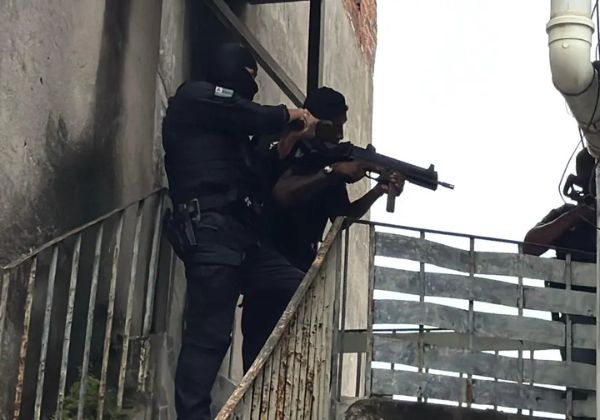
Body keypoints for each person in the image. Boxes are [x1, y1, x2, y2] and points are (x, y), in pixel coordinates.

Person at [162, 43, 318, 420]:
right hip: (211, 235)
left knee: (304, 289)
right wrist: (288, 114)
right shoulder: (194, 98)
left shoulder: (229, 135)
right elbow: (247, 112)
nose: (253, 86)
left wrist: (286, 146)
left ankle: (266, 397)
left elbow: (254, 179)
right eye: (250, 77)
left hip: (243, 241)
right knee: (209, 338)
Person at [265, 87, 405, 272]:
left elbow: (342, 218)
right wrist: (331, 171)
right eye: (335, 126)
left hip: (301, 261)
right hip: (269, 254)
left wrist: (378, 190)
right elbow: (281, 194)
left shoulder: (330, 162)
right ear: (317, 122)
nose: (340, 135)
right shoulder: (290, 146)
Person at [523, 147, 596, 419]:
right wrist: (576, 216)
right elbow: (530, 246)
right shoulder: (567, 214)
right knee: (583, 388)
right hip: (577, 314)